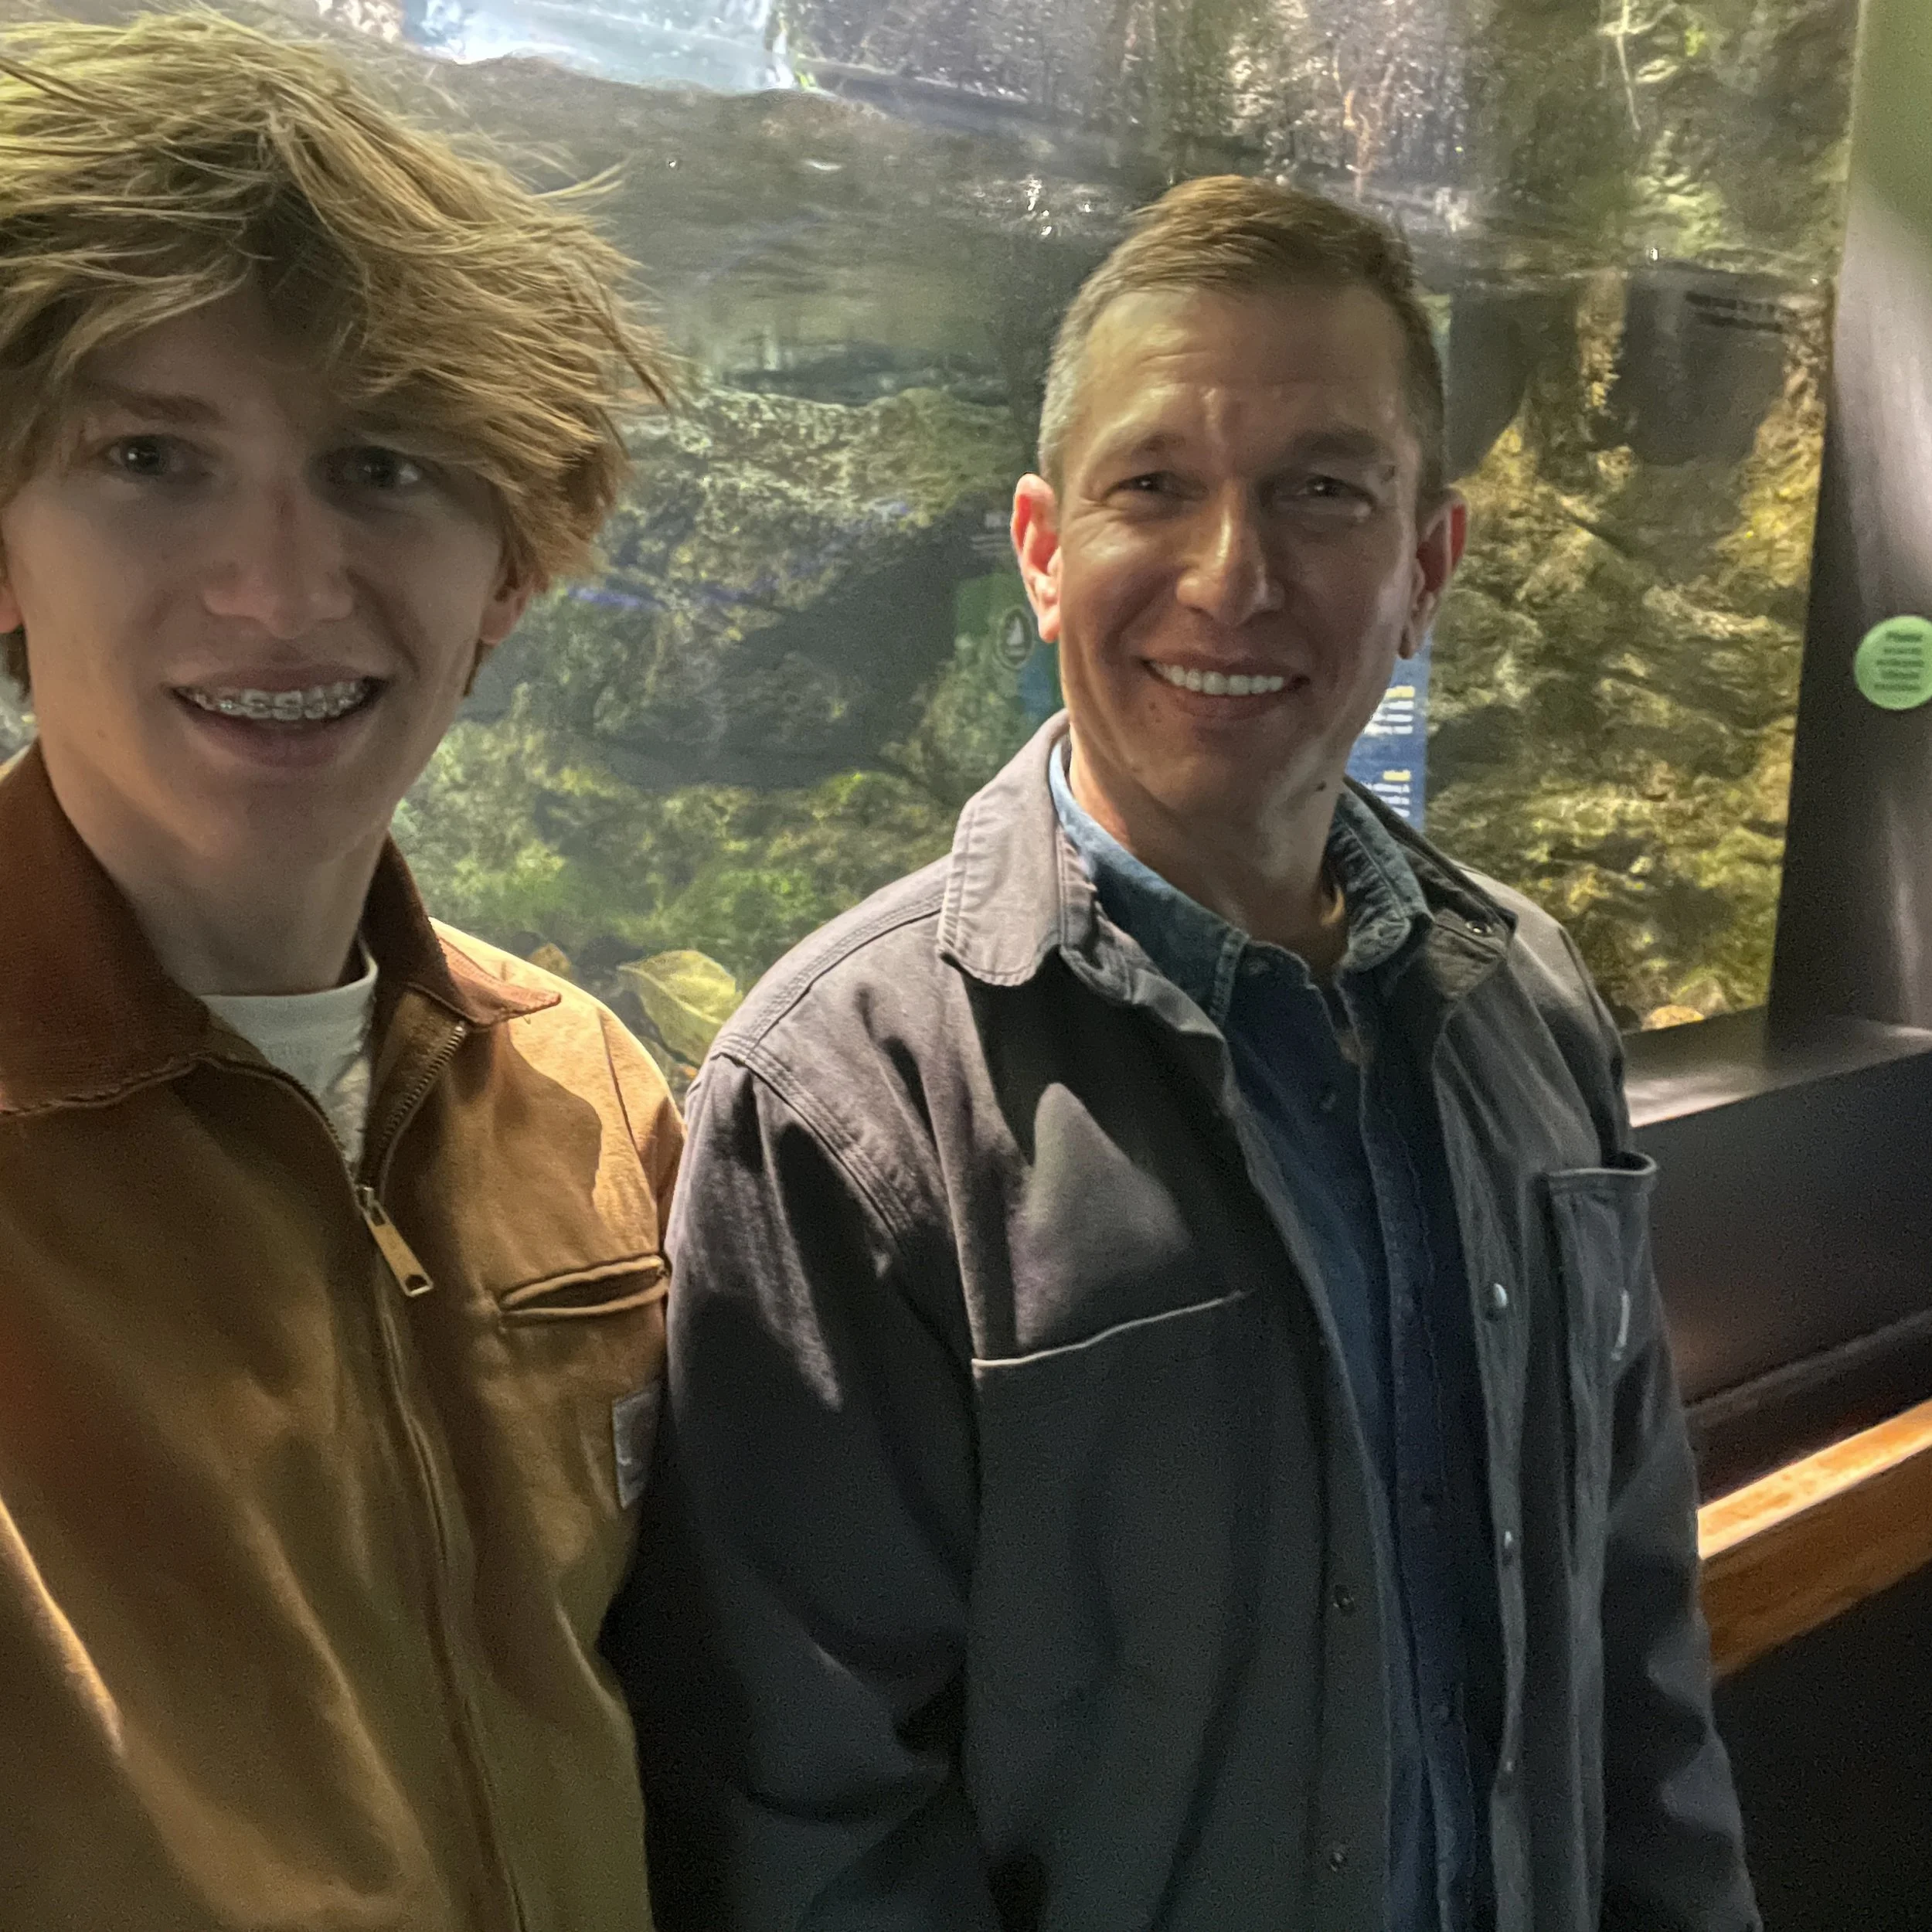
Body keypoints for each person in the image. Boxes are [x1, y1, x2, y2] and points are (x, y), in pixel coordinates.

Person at [617, 175, 1760, 1930]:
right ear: (1039, 547)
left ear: (1425, 565)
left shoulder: (1526, 1001)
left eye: (1323, 490)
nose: (1234, 575)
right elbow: (810, 1827)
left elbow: (1627, 1632)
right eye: (1154, 485)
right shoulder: (848, 1101)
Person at [0, 15, 681, 1927]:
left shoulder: (599, 1105)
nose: (283, 586)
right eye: (150, 456)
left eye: (383, 466)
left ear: (510, 570)